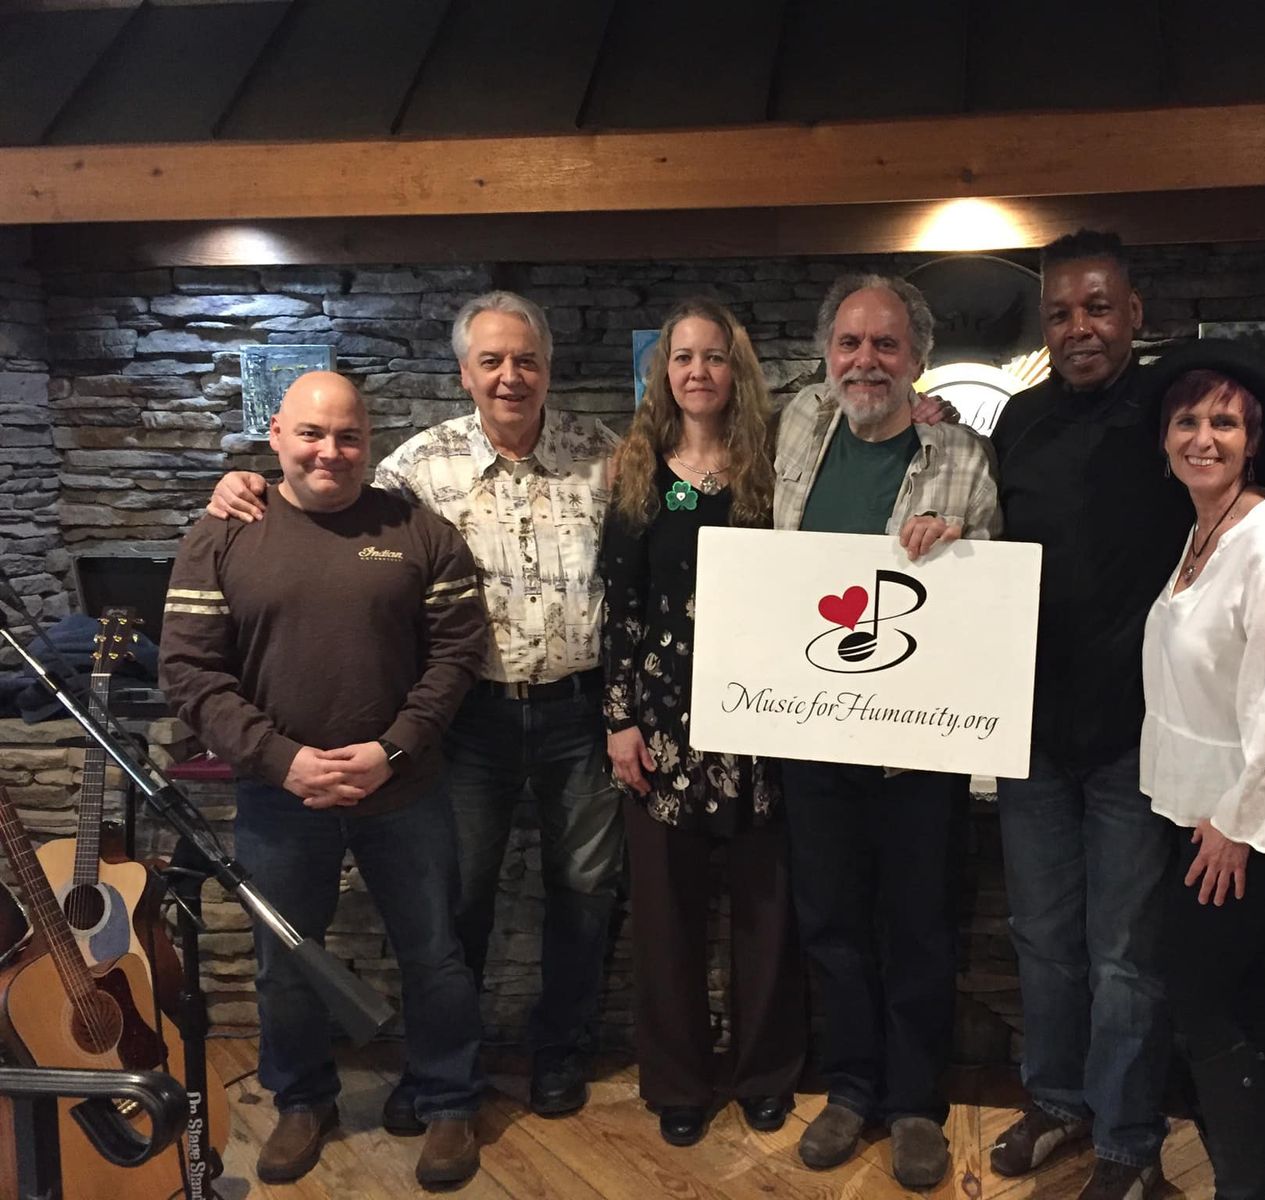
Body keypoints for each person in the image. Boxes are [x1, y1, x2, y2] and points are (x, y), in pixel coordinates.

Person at [205, 292, 624, 1124]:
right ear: (465, 372)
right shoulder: (416, 469)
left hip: (583, 714)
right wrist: (242, 483)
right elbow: (323, 501)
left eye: (527, 359)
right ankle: (443, 1075)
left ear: (548, 368)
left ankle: (560, 1051)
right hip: (467, 721)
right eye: (492, 361)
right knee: (452, 903)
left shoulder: (606, 455)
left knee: (585, 890)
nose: (510, 376)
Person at [161, 372, 486, 1188]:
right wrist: (283, 760)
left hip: (404, 789)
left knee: (436, 954)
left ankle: (449, 1100)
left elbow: (457, 657)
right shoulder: (223, 533)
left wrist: (393, 750)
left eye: (347, 436)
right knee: (285, 963)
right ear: (277, 435)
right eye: (311, 433)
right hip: (280, 796)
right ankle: (303, 1100)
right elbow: (189, 672)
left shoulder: (420, 532)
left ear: (368, 441)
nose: (329, 452)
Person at [775, 274, 1001, 1190]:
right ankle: (851, 1088)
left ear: (917, 358)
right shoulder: (799, 423)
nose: (865, 361)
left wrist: (963, 541)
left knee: (918, 927)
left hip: (918, 746)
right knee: (830, 922)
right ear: (826, 353)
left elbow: (993, 594)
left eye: (886, 344)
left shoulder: (964, 455)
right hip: (810, 735)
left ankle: (913, 1102)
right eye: (850, 343)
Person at [984, 230, 1191, 1200]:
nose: (1079, 328)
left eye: (1098, 308)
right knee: (1042, 941)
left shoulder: (1174, 412)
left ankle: (1128, 1137)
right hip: (1028, 732)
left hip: (1135, 740)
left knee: (1125, 956)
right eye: (1061, 312)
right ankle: (1058, 1100)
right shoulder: (1017, 422)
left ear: (1134, 314)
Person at [600, 299, 805, 1147]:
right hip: (661, 728)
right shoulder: (638, 473)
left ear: (736, 369)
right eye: (682, 357)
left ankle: (766, 1073)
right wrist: (619, 721)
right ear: (664, 372)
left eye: (714, 356)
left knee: (767, 911)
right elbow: (619, 606)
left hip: (763, 720)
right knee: (666, 915)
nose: (698, 371)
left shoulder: (777, 467)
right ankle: (679, 1081)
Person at [1139, 341, 1265, 1200]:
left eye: (1224, 422)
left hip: (1240, 832)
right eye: (1187, 420)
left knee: (1214, 1014)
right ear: (1164, 438)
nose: (1203, 438)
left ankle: (1249, 1189)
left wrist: (1236, 823)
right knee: (1225, 1013)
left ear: (1252, 440)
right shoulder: (1203, 532)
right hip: (1195, 815)